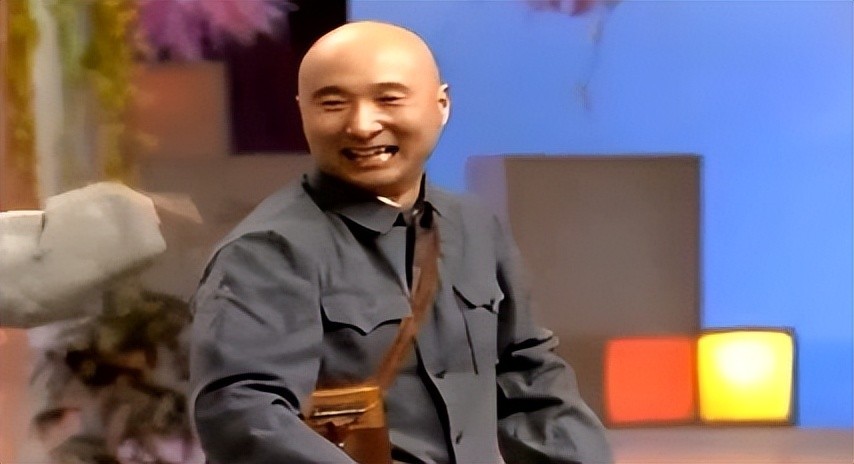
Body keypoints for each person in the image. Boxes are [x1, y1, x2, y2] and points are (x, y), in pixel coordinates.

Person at [189, 20, 612, 464]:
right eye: (333, 103)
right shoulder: (267, 251)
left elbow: (527, 372)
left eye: (388, 99)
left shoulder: (472, 225)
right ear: (302, 112)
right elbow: (243, 414)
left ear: (441, 105)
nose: (362, 125)